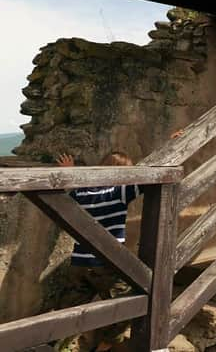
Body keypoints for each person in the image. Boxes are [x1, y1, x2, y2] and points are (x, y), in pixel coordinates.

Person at [53, 151, 142, 352]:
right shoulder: (119, 192)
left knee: (66, 312)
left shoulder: (81, 193)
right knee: (131, 303)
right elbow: (147, 180)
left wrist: (70, 171)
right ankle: (103, 347)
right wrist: (172, 144)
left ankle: (53, 345)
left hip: (80, 264)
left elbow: (71, 190)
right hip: (107, 265)